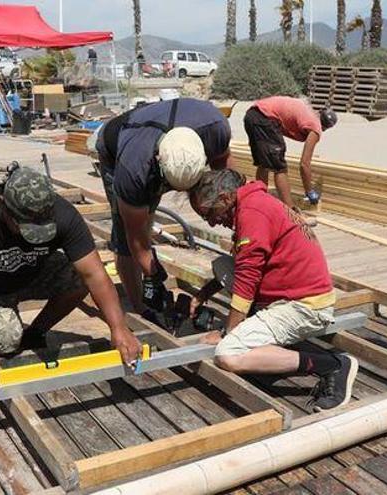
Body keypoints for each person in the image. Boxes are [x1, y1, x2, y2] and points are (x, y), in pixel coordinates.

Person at [0, 166, 143, 394]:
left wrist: (118, 328)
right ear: (4, 206)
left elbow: (94, 274)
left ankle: (35, 333)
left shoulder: (62, 214)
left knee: (77, 278)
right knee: (8, 338)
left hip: (28, 275)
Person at [188, 169, 358, 411]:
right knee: (222, 265)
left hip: (306, 306)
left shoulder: (253, 213)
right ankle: (252, 326)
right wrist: (204, 293)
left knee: (228, 355)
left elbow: (247, 279)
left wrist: (229, 334)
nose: (213, 222)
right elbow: (243, 263)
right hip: (293, 291)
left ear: (226, 198)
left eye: (210, 213)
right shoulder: (253, 201)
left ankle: (332, 365)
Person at [95, 97, 231, 319]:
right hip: (115, 146)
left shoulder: (215, 129)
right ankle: (141, 308)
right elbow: (135, 239)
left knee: (146, 221)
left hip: (161, 139)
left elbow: (227, 182)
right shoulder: (133, 170)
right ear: (158, 161)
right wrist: (153, 276)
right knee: (126, 236)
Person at [243, 96, 337, 208]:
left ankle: (260, 201)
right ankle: (290, 210)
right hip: (266, 118)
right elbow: (304, 164)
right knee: (280, 168)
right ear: (326, 127)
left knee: (264, 164)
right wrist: (309, 191)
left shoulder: (308, 112)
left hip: (252, 115)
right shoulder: (315, 126)